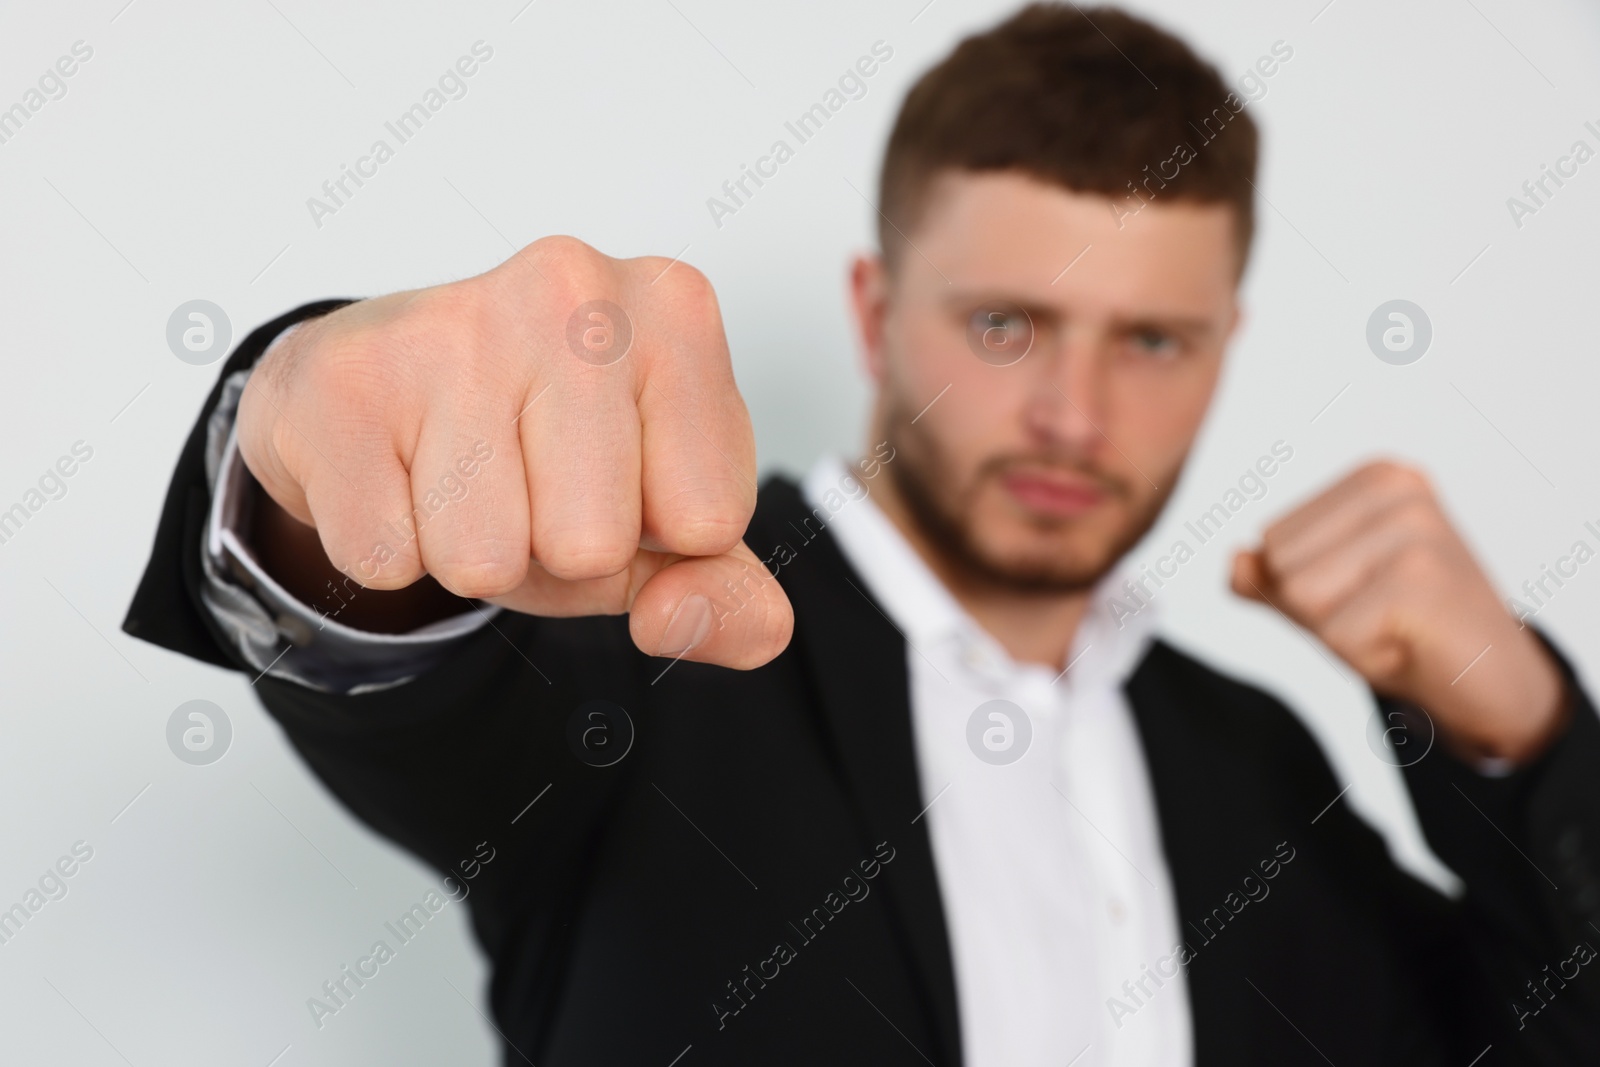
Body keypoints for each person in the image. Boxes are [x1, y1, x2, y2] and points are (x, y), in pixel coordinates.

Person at [124, 5, 1600, 1065]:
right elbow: (386, 659)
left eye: (1154, 338)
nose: (1078, 415)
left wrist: (1536, 745)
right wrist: (298, 451)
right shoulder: (647, 639)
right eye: (1009, 322)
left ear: (1225, 350)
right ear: (876, 315)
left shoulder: (1261, 767)